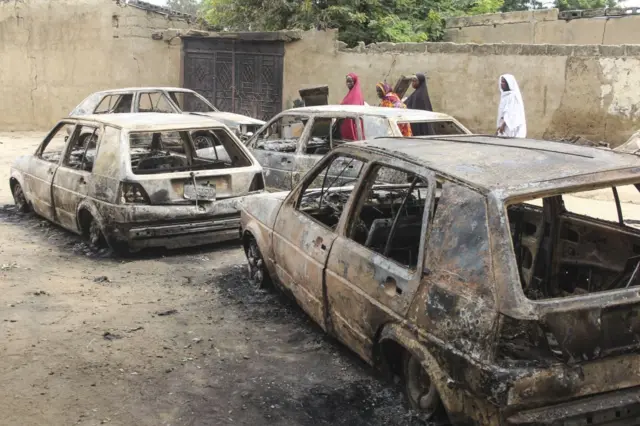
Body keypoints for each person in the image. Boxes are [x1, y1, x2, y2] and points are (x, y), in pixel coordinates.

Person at [496, 74, 526, 138]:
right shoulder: (504, 96)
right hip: (503, 127)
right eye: (501, 82)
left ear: (508, 83)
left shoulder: (512, 96)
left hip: (509, 127)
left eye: (504, 82)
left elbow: (511, 113)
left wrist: (503, 126)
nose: (501, 84)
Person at [340, 73, 364, 140]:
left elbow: (353, 111)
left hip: (352, 127)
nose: (348, 83)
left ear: (355, 81)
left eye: (350, 81)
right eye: (347, 81)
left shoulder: (356, 95)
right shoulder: (351, 93)